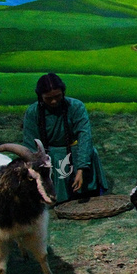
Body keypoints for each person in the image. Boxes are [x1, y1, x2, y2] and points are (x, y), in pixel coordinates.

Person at [22, 73, 108, 203]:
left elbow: (85, 136)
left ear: (63, 92)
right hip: (50, 153)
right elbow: (30, 143)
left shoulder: (76, 106)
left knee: (90, 151)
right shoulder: (33, 112)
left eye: (57, 96)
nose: (54, 101)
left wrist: (81, 168)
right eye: (48, 98)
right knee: (57, 156)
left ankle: (88, 190)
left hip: (74, 147)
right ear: (40, 97)